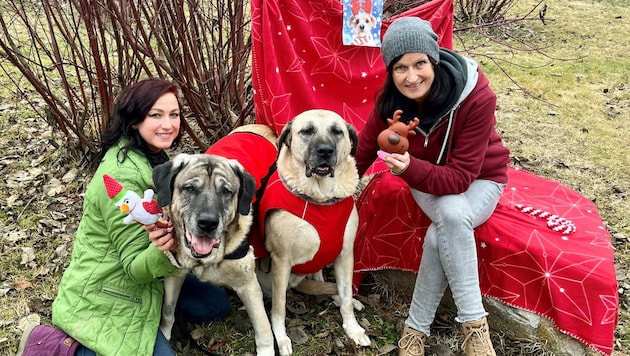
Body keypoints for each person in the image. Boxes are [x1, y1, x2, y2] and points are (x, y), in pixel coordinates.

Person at [16, 78, 230, 356]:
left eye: (174, 114)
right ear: (134, 118)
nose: (168, 125)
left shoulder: (152, 155)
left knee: (215, 306)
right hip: (111, 286)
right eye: (155, 115)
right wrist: (167, 249)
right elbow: (133, 268)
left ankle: (152, 317)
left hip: (150, 275)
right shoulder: (120, 176)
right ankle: (49, 346)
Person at [353, 17, 511, 356]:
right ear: (390, 71)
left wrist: (409, 167)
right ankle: (473, 332)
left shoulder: (476, 96)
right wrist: (333, 192)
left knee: (449, 220)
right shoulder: (390, 101)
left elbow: (461, 177)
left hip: (481, 178)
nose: (411, 77)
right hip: (426, 178)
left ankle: (416, 330)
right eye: (400, 68)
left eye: (420, 63)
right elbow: (364, 150)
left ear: (434, 59)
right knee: (452, 215)